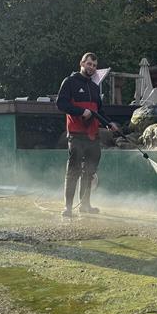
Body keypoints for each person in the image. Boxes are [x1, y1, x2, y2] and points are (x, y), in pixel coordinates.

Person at [56, 52, 119, 217]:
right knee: (73, 171)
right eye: (89, 64)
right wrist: (80, 111)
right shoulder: (69, 82)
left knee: (90, 172)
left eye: (94, 65)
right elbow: (60, 103)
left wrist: (109, 123)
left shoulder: (94, 87)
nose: (92, 67)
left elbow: (100, 111)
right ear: (82, 63)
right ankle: (68, 207)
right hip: (76, 135)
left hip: (93, 136)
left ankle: (85, 205)